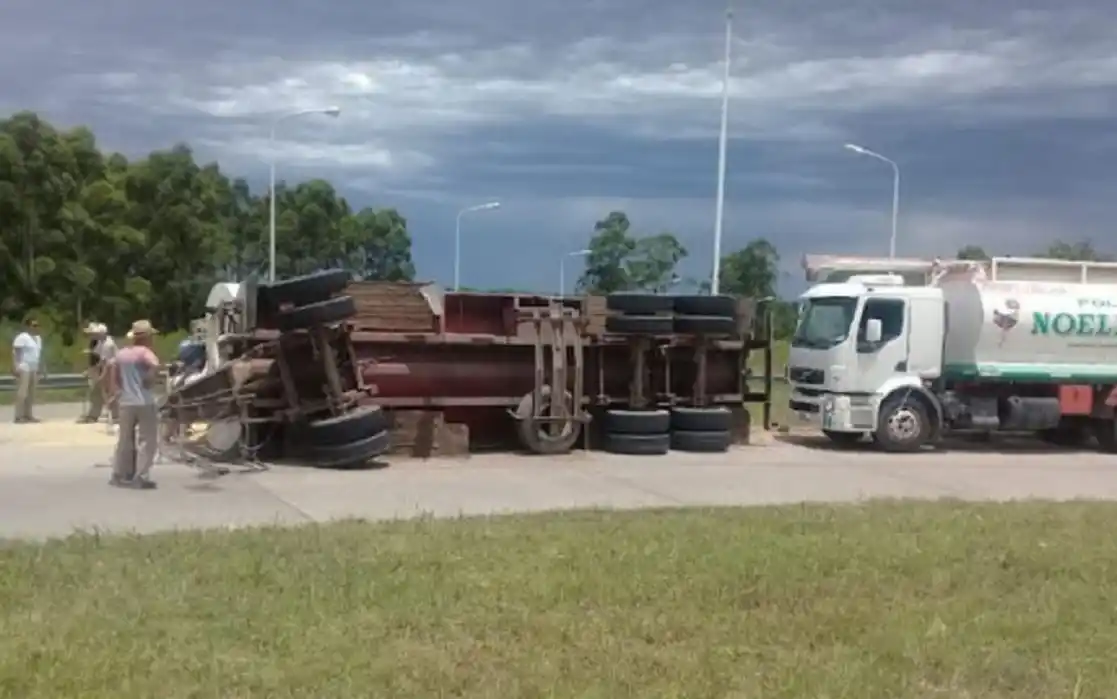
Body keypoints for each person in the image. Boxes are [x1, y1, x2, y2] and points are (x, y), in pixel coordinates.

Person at [107, 320, 161, 489]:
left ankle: (119, 473)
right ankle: (141, 475)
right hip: (144, 401)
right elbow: (155, 365)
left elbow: (112, 370)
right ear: (147, 337)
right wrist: (150, 378)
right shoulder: (145, 352)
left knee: (124, 439)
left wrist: (116, 390)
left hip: (126, 401)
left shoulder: (122, 353)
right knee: (147, 439)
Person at [79, 323, 118, 424]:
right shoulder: (101, 342)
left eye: (96, 333)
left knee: (110, 393)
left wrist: (101, 375)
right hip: (105, 368)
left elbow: (105, 362)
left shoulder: (108, 344)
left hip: (111, 369)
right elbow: (98, 358)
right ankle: (95, 415)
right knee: (99, 393)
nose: (94, 335)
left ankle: (115, 416)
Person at [11, 318, 44, 424]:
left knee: (31, 392)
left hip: (34, 367)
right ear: (28, 326)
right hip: (24, 366)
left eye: (37, 325)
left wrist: (41, 367)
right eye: (33, 325)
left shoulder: (38, 338)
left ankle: (28, 415)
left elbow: (38, 354)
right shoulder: (22, 337)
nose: (36, 327)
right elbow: (16, 353)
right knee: (22, 392)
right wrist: (15, 366)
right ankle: (18, 416)